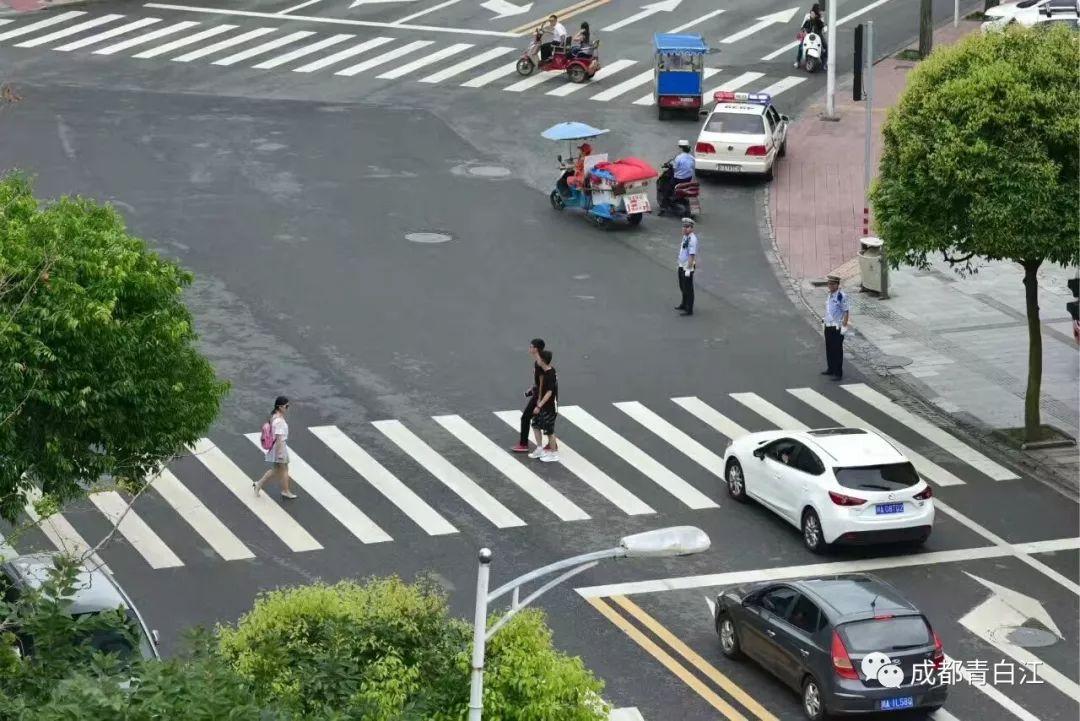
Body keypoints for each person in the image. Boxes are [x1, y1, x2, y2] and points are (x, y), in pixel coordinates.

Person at [255, 396, 297, 499]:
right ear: (280, 407)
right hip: (280, 447)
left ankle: (259, 484)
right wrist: (279, 454)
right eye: (286, 406)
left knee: (277, 470)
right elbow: (279, 439)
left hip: (278, 447)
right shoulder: (279, 421)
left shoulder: (274, 416)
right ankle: (285, 491)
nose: (288, 408)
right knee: (284, 469)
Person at [510, 338, 545, 453]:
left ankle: (523, 444)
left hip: (539, 395)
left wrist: (539, 401)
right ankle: (551, 443)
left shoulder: (540, 363)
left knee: (526, 417)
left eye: (531, 346)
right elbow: (539, 381)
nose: (529, 348)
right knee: (545, 418)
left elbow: (543, 383)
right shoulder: (538, 362)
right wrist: (533, 387)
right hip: (538, 393)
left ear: (536, 349)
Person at [529, 350, 559, 463]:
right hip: (541, 404)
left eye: (539, 358)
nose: (537, 360)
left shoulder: (550, 374)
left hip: (549, 407)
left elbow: (549, 393)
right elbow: (537, 364)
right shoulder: (544, 371)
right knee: (535, 424)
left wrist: (539, 406)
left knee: (549, 431)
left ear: (543, 360)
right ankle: (540, 448)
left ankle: (554, 453)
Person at [822, 274, 851, 379]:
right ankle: (830, 368)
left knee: (837, 350)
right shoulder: (829, 294)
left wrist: (844, 326)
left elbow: (846, 311)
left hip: (837, 327)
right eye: (829, 284)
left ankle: (838, 373)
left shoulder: (841, 296)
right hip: (828, 326)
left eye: (832, 284)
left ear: (837, 285)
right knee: (829, 348)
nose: (830, 286)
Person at [660, 141, 695, 212]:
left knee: (667, 190)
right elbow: (692, 166)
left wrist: (669, 166)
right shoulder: (692, 157)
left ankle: (663, 207)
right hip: (688, 178)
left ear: (681, 148)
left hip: (679, 179)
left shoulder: (679, 158)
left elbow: (674, 168)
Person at [675, 218, 698, 316]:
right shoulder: (685, 237)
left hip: (687, 266)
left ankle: (689, 309)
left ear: (692, 228)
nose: (685, 229)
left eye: (687, 227)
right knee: (682, 286)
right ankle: (684, 304)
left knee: (688, 288)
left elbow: (691, 255)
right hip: (682, 264)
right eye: (684, 226)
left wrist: (688, 269)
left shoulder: (692, 239)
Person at [794, 3, 826, 69]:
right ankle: (797, 61)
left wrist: (816, 19)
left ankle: (824, 63)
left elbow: (821, 27)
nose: (820, 11)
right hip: (808, 34)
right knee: (801, 46)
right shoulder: (807, 16)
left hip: (818, 35)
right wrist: (804, 32)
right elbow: (803, 26)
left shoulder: (821, 17)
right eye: (819, 10)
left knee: (824, 47)